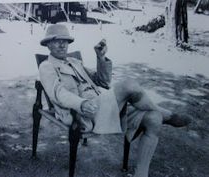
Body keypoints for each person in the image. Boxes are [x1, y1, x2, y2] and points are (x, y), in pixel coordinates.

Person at [39, 24, 191, 177]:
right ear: (48, 44)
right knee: (128, 85)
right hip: (84, 113)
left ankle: (141, 173)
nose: (62, 44)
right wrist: (81, 103)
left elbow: (102, 82)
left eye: (65, 40)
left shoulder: (74, 62)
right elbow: (58, 93)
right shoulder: (47, 66)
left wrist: (101, 57)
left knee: (154, 118)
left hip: (102, 106)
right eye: (56, 41)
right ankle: (168, 116)